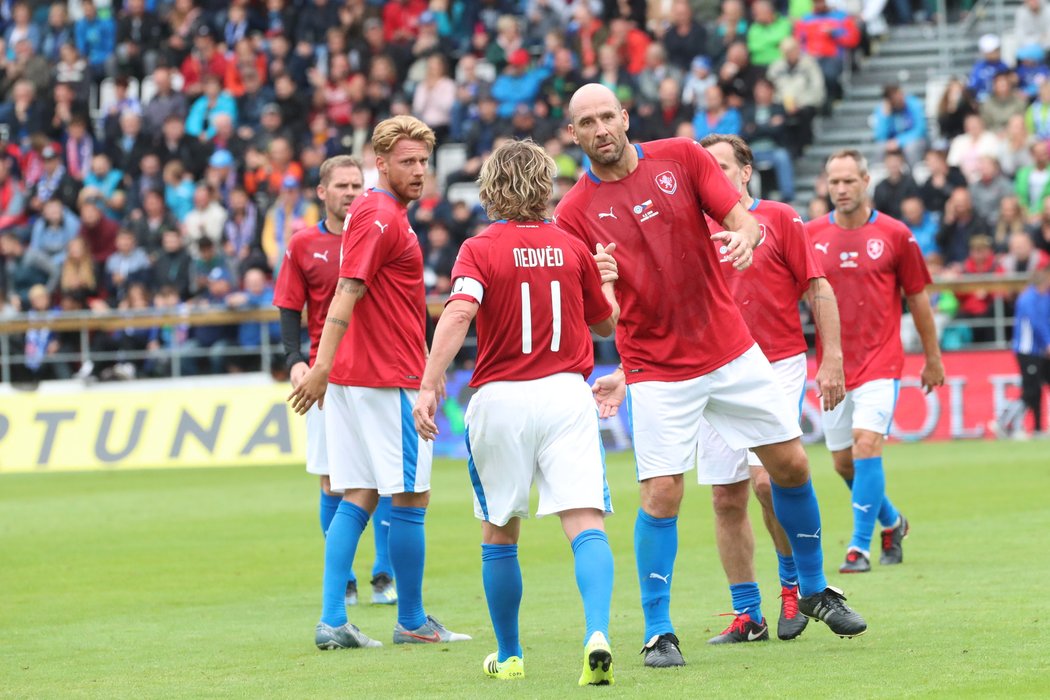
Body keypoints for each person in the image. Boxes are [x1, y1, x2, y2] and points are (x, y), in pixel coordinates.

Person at [554, 83, 867, 669]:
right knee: (663, 492)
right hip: (655, 367)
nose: (600, 130)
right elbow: (602, 325)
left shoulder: (681, 156)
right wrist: (602, 288)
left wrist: (746, 238)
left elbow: (741, 219)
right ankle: (658, 630)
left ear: (625, 116)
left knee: (792, 465)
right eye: (586, 123)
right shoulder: (572, 213)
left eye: (606, 116)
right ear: (573, 134)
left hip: (728, 348)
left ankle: (818, 589)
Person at [412, 139, 620, 685]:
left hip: (501, 398)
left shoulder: (478, 249)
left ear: (491, 188)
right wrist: (606, 280)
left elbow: (459, 314)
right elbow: (605, 326)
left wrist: (429, 384)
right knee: (585, 522)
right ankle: (596, 631)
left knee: (500, 529)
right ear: (545, 184)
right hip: (564, 395)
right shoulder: (572, 247)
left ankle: (509, 655)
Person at [287, 116, 469, 650]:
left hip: (357, 377)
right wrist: (319, 365)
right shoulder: (382, 215)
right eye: (407, 162)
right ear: (380, 162)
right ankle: (411, 619)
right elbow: (346, 290)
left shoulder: (378, 213)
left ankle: (332, 619)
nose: (418, 171)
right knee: (412, 497)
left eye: (423, 162)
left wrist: (329, 368)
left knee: (359, 494)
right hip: (387, 378)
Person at [692, 133, 845, 644]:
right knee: (725, 498)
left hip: (774, 363)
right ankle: (746, 615)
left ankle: (792, 587)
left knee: (766, 481)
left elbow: (817, 287)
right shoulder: (693, 228)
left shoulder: (779, 218)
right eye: (704, 168)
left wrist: (831, 358)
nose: (713, 176)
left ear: (745, 172)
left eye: (721, 166)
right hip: (710, 370)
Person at [806, 150, 945, 574]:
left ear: (866, 181)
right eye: (834, 182)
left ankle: (859, 547)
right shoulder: (810, 235)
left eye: (849, 181)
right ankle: (892, 521)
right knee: (844, 463)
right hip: (833, 367)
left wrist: (932, 357)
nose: (842, 189)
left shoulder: (895, 233)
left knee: (868, 444)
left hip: (882, 361)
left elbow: (918, 298)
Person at [274, 155, 398, 608]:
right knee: (332, 477)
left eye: (356, 185)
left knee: (387, 477)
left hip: (376, 369)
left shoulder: (379, 231)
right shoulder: (304, 244)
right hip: (326, 376)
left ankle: (383, 574)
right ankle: (343, 577)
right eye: (341, 185)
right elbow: (289, 306)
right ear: (322, 192)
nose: (350, 192)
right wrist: (294, 361)